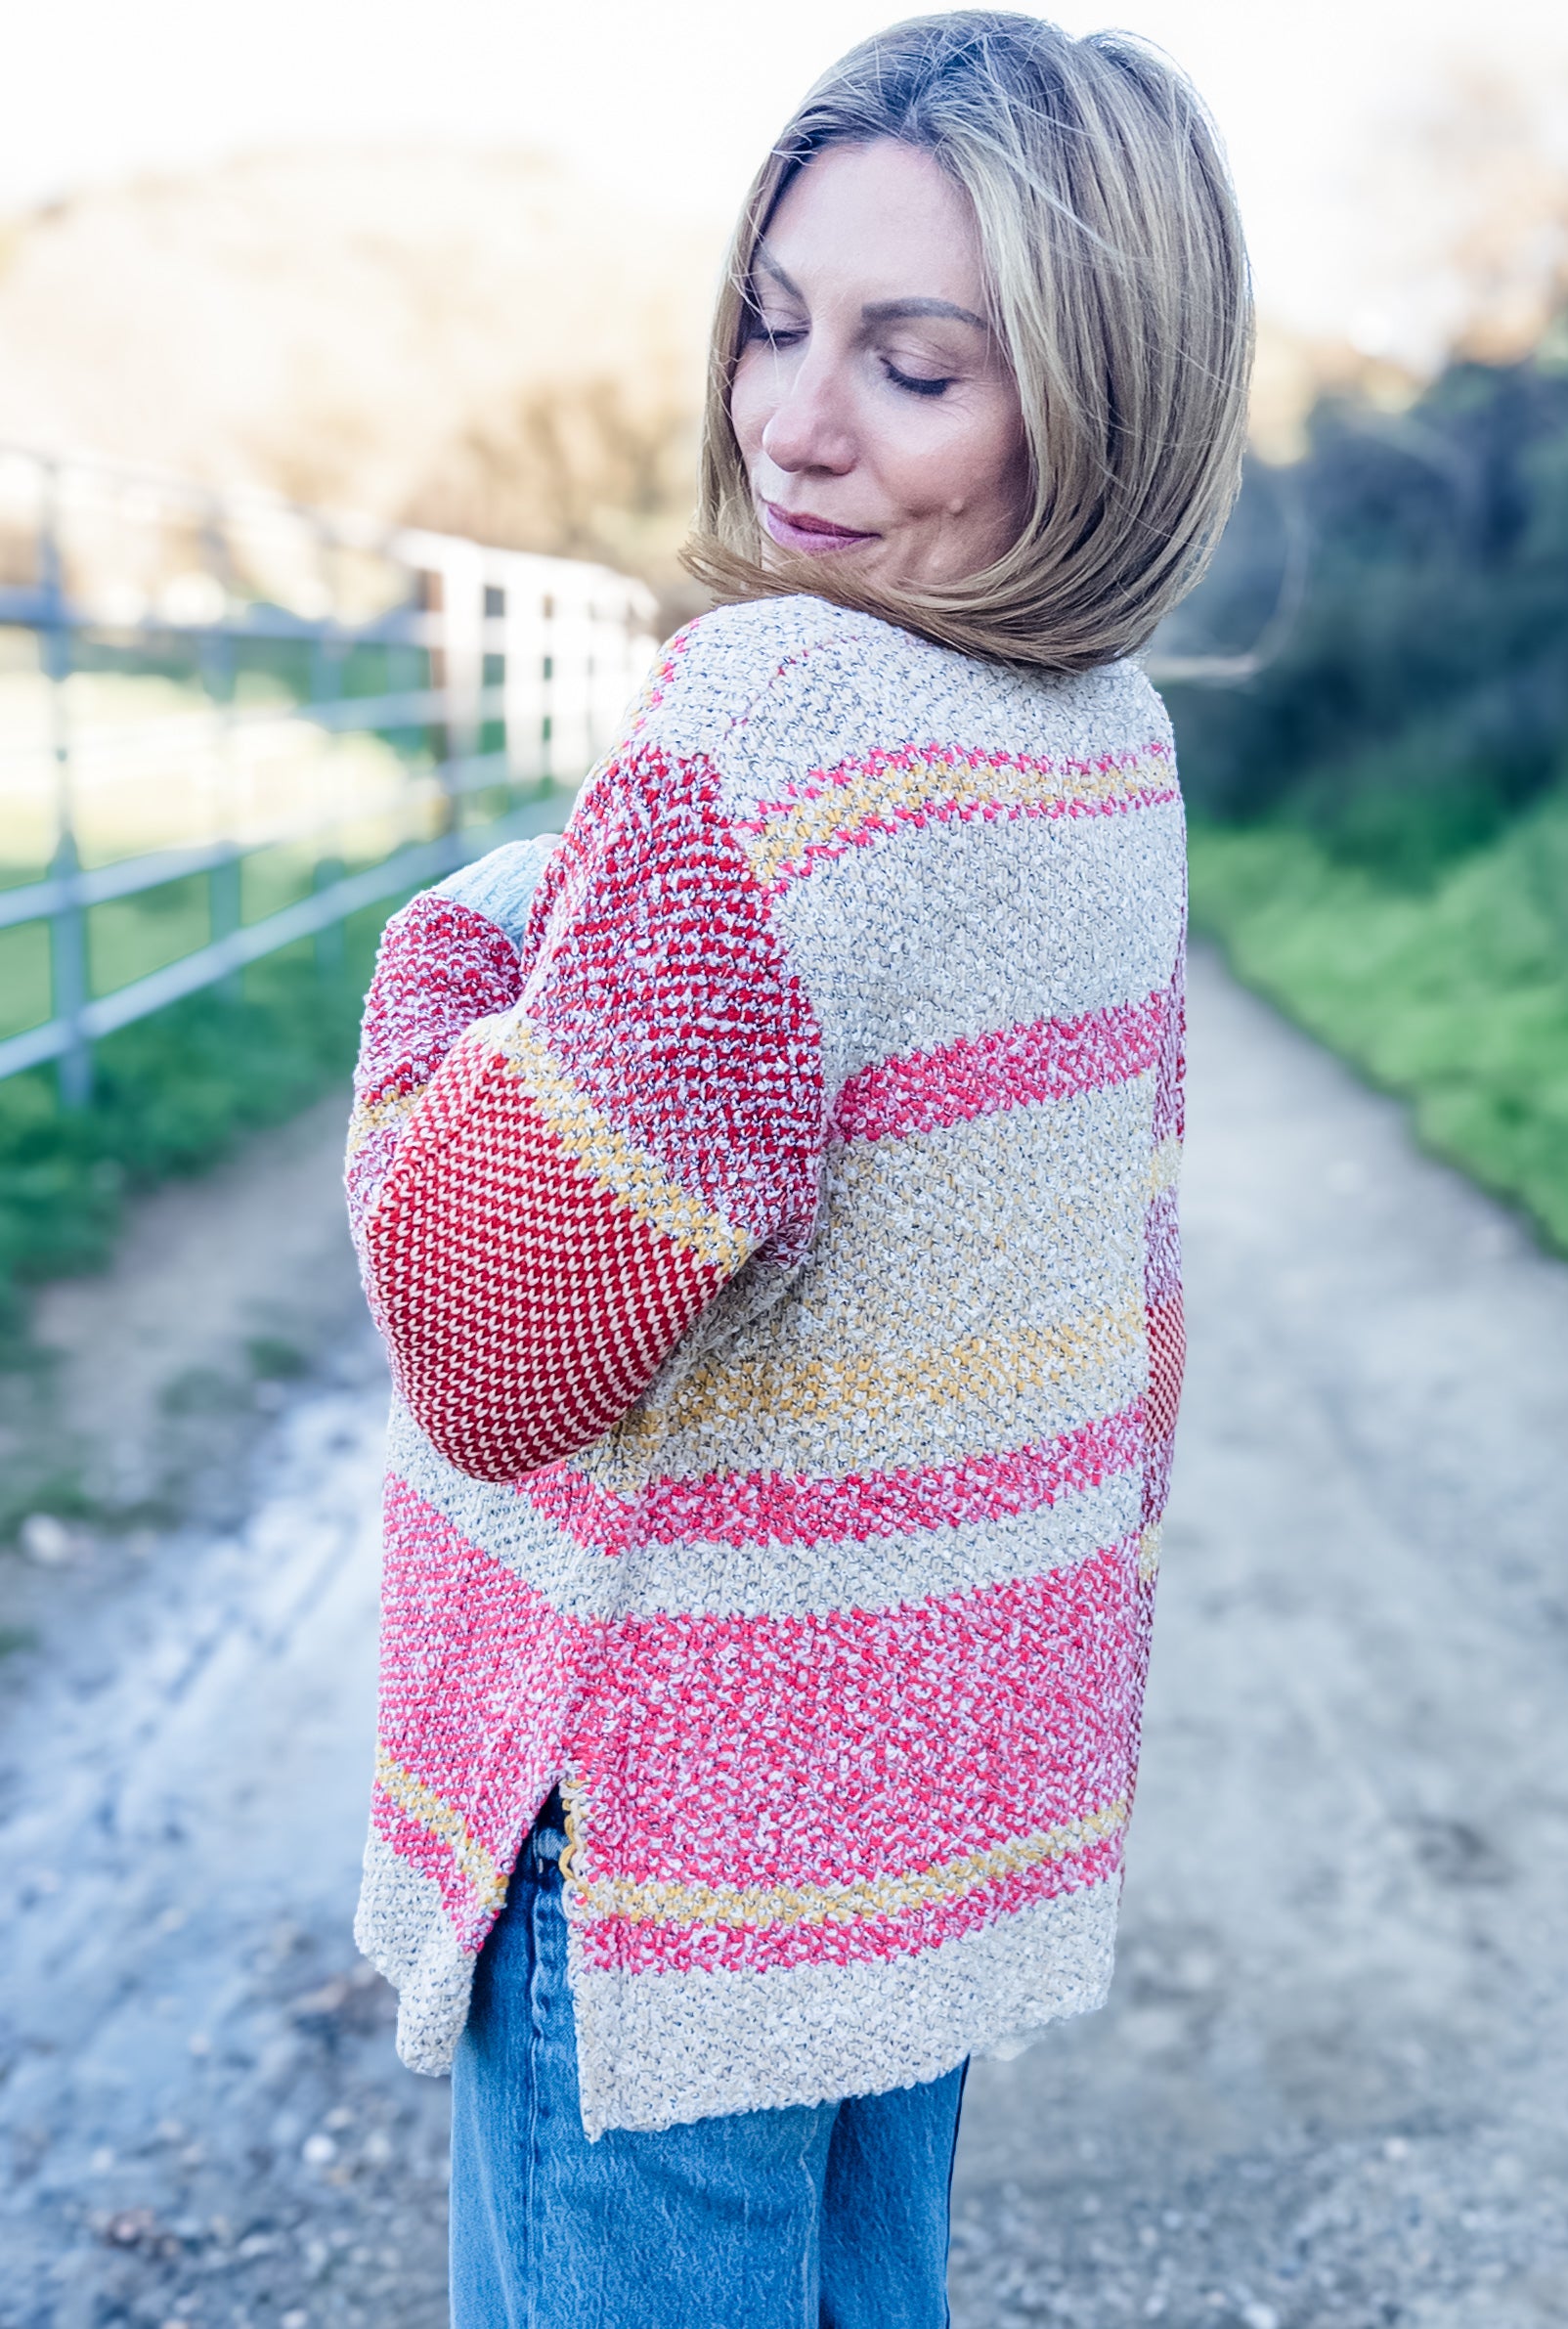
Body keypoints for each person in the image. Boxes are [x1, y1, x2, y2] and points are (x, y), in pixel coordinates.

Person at [343, 13, 1251, 2324]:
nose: (792, 420)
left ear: (1101, 393)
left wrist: (453, 953)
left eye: (913, 363)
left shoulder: (774, 724)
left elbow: (489, 1332)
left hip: (670, 1869)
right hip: (915, 1817)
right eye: (772, 320)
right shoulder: (1099, 747)